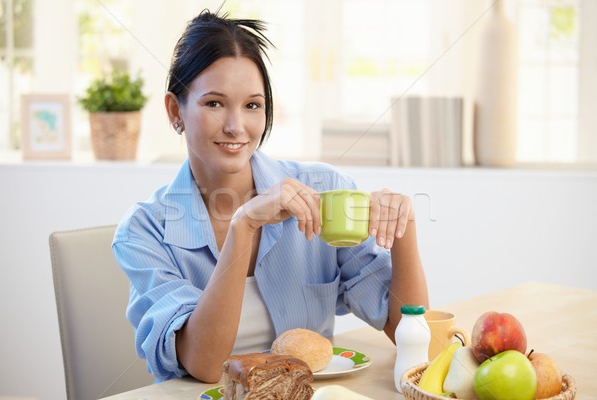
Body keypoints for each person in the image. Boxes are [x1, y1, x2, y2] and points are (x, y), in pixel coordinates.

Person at [112, 9, 428, 383]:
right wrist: (243, 225)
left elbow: (401, 329)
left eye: (252, 105)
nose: (236, 126)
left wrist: (403, 231)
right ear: (174, 110)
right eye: (214, 103)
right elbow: (205, 364)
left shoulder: (325, 192)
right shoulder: (143, 231)